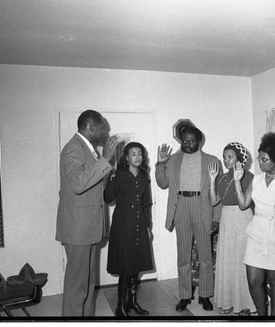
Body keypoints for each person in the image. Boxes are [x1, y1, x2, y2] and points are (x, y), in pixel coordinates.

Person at [55, 109, 119, 316]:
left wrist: (108, 169)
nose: (105, 132)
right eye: (102, 127)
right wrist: (106, 160)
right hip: (78, 229)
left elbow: (92, 186)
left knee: (88, 285)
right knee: (77, 288)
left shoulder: (90, 149)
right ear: (90, 126)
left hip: (88, 228)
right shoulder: (73, 149)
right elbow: (77, 184)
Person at [155, 125, 222, 311]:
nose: (187, 144)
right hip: (181, 207)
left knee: (205, 256)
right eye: (184, 141)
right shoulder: (173, 160)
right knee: (183, 255)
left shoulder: (212, 161)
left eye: (191, 141)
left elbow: (219, 192)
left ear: (199, 141)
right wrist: (161, 163)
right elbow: (162, 183)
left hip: (203, 207)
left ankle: (205, 295)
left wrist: (216, 218)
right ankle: (185, 295)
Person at [233, 132, 275, 316]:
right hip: (256, 233)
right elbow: (243, 205)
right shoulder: (256, 179)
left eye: (264, 159)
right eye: (259, 158)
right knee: (254, 281)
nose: (259, 162)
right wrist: (237, 181)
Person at [104, 142, 154, 317]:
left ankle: (131, 301)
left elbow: (146, 203)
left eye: (140, 153)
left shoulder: (143, 175)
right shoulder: (119, 175)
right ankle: (120, 306)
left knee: (136, 264)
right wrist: (110, 177)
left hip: (140, 223)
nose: (137, 157)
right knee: (126, 266)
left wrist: (149, 226)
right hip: (123, 224)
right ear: (126, 157)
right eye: (133, 154)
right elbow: (108, 198)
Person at [207, 142, 256, 316]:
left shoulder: (249, 177)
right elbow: (213, 202)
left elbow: (244, 206)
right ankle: (228, 301)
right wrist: (212, 180)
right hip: (226, 219)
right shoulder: (221, 178)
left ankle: (245, 304)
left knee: (242, 261)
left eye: (230, 157)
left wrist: (237, 179)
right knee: (227, 260)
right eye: (224, 156)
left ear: (240, 159)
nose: (226, 160)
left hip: (243, 220)